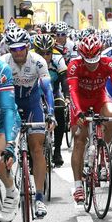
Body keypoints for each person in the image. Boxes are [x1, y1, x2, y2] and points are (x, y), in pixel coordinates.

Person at [68, 34, 112, 203]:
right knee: (79, 139)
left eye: (94, 60)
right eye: (87, 60)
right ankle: (78, 186)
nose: (91, 64)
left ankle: (104, 148)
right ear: (81, 55)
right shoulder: (74, 65)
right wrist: (78, 112)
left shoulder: (109, 63)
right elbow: (72, 91)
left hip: (99, 98)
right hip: (80, 101)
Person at [1, 28, 56, 218]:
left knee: (37, 148)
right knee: (5, 146)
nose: (18, 52)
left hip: (33, 103)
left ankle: (39, 198)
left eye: (21, 48)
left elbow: (47, 88)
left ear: (27, 47)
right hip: (11, 103)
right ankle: (10, 186)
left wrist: (51, 113)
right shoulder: (3, 62)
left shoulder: (38, 61)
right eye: (14, 49)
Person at [32, 34, 69, 167]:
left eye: (48, 53)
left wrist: (68, 97)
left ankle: (57, 150)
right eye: (41, 53)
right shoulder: (30, 58)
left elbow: (64, 80)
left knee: (60, 111)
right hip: (34, 93)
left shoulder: (58, 58)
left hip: (53, 91)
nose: (45, 56)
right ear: (35, 51)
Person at [0, 56, 21, 222]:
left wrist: (11, 145)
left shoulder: (1, 70)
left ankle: (11, 192)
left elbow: (7, 110)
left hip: (2, 123)